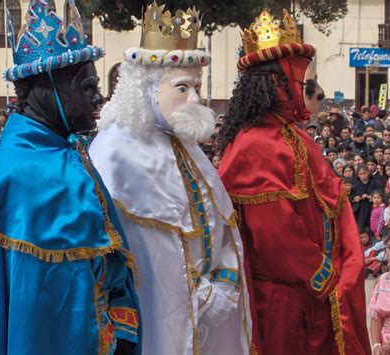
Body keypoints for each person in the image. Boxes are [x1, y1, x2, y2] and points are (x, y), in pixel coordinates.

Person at [89, 3, 253, 354]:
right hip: (155, 317)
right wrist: (198, 294)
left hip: (208, 315)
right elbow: (139, 254)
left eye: (197, 86)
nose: (194, 98)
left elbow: (223, 230)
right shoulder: (114, 152)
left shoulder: (188, 148)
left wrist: (223, 284)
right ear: (148, 89)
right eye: (182, 88)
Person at [0, 1, 141, 354]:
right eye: (86, 88)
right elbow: (49, 316)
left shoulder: (64, 150)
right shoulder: (26, 169)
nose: (98, 97)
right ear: (47, 89)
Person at [218, 9, 370, 354]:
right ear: (279, 85)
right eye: (305, 85)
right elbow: (276, 235)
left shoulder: (296, 137)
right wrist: (324, 277)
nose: (311, 93)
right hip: (285, 302)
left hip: (310, 297)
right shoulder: (256, 145)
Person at [352, 164, 383, 229]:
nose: (363, 176)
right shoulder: (356, 185)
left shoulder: (376, 183)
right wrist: (354, 198)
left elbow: (382, 197)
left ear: (368, 172)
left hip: (374, 209)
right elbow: (351, 196)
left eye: (364, 173)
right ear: (357, 174)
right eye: (360, 174)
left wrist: (369, 197)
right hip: (361, 212)